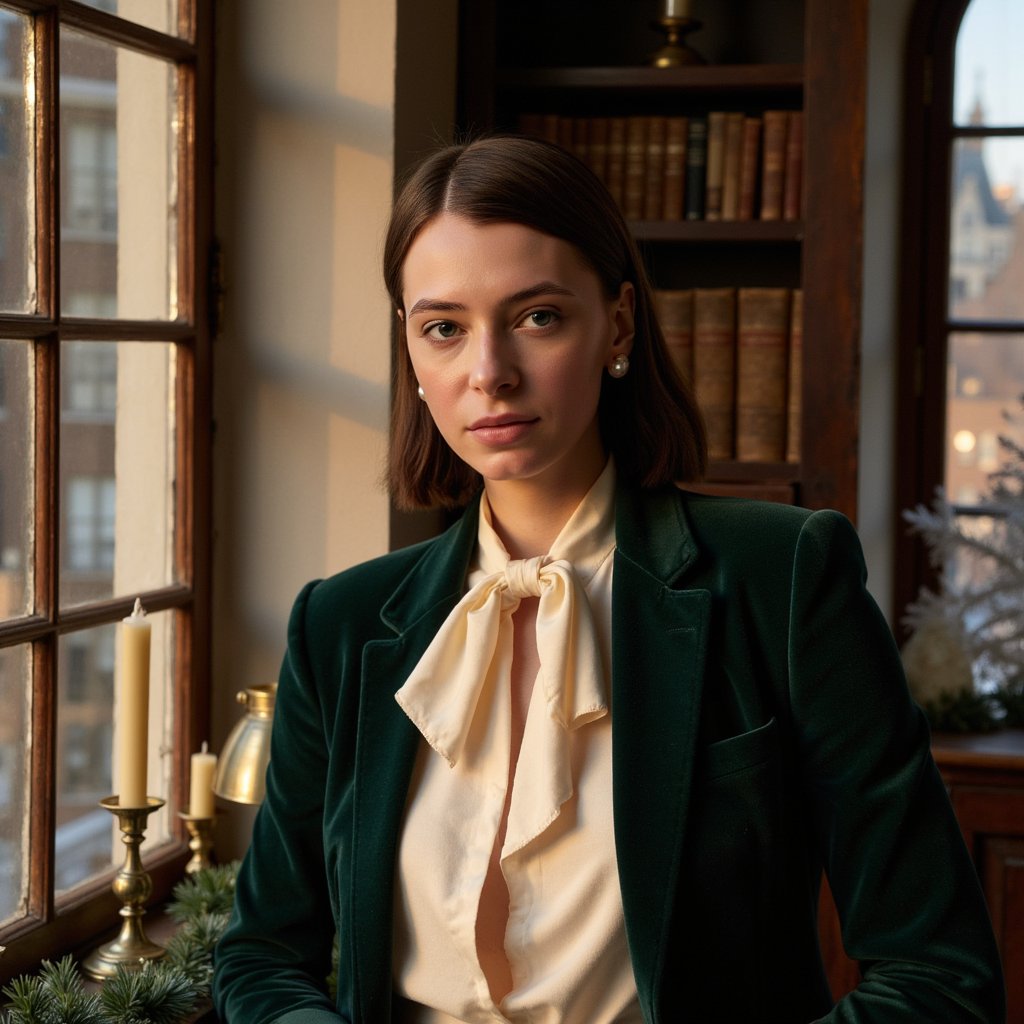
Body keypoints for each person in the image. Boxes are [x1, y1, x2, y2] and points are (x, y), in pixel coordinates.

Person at [213, 135, 1004, 1024]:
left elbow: (939, 977)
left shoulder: (782, 577)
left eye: (537, 316)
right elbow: (262, 956)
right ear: (412, 352)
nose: (490, 373)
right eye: (443, 327)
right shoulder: (341, 622)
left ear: (618, 325)